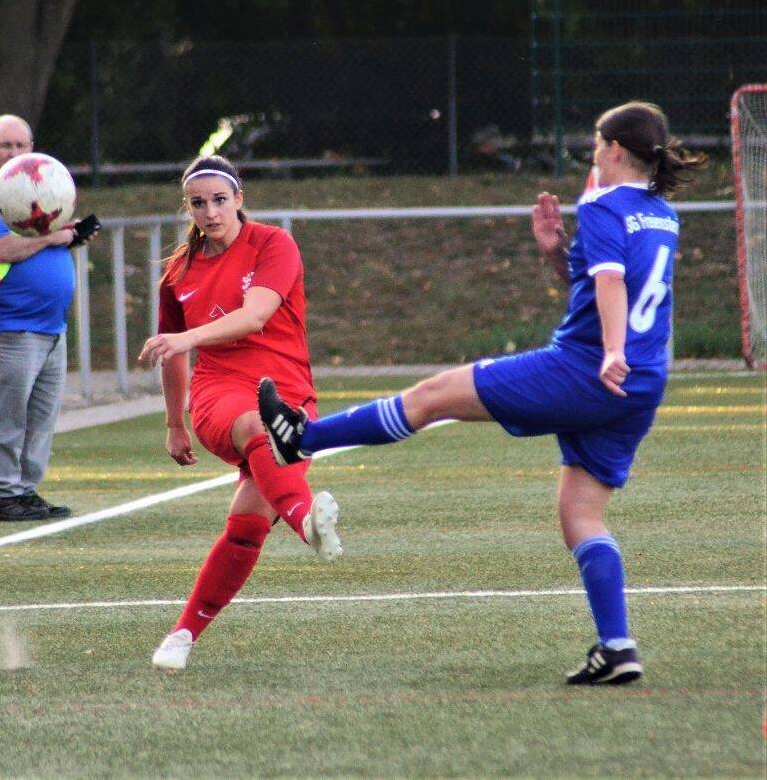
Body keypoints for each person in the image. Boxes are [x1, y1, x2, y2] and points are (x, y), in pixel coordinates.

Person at [259, 102, 706, 685]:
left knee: (432, 396)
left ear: (615, 149)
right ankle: (617, 646)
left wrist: (612, 350)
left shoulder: (602, 203)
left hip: (589, 371)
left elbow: (611, 284)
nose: (594, 154)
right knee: (580, 514)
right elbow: (597, 286)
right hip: (640, 384)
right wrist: (556, 252)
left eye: (598, 144)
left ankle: (303, 439)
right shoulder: (662, 213)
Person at [138, 154, 341, 672]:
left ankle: (182, 634)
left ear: (239, 200)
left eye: (219, 200)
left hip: (289, 389)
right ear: (187, 207)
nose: (210, 212)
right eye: (198, 203)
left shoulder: (273, 244)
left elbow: (255, 316)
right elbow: (173, 354)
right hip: (219, 391)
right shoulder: (178, 272)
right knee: (256, 424)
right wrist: (174, 424)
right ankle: (306, 522)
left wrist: (187, 336)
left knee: (247, 526)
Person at [0, 114, 93, 523]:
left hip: (50, 326)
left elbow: (43, 240)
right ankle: (0, 494)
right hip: (8, 325)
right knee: (6, 415)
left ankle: (24, 490)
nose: (14, 153)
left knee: (39, 418)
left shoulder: (39, 185)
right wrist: (52, 238)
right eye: (5, 145)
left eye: (21, 145)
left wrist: (69, 236)